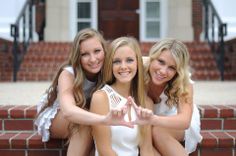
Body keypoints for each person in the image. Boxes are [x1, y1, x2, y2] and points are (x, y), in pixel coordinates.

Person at [34, 28, 132, 156]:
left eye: (97, 51)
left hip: (88, 114)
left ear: (105, 50)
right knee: (85, 125)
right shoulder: (68, 74)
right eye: (85, 54)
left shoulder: (109, 68)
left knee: (98, 133)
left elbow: (136, 61)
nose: (93, 59)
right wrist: (103, 119)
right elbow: (68, 111)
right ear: (77, 57)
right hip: (58, 114)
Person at [90, 36, 155, 156]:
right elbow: (105, 150)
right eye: (117, 61)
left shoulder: (146, 102)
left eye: (129, 60)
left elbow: (147, 150)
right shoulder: (101, 98)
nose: (123, 66)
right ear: (111, 65)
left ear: (137, 63)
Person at [141, 38, 202, 156]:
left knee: (157, 131)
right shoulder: (139, 67)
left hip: (174, 120)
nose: (163, 71)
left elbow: (184, 121)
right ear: (152, 57)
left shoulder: (183, 81)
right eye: (161, 62)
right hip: (146, 118)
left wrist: (153, 120)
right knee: (143, 134)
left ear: (178, 71)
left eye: (172, 68)